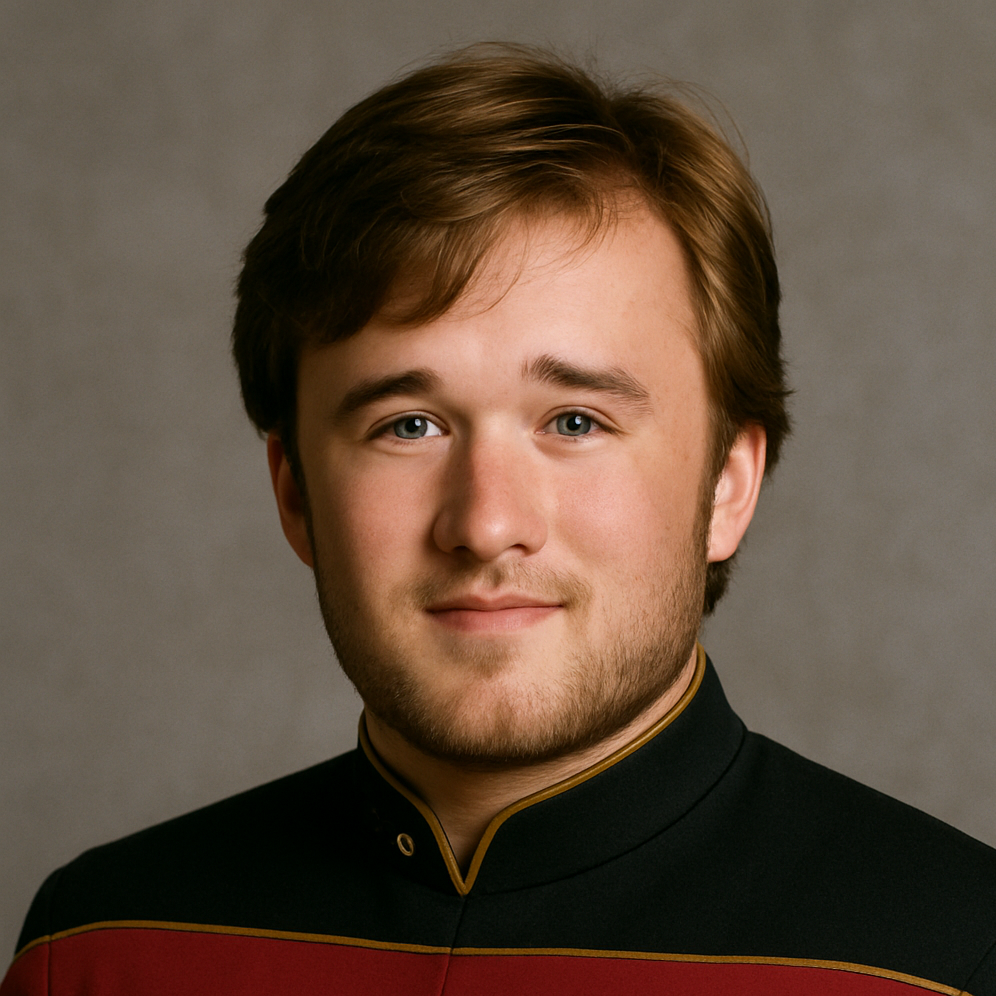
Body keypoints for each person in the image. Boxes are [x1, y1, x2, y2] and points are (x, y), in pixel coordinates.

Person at [4, 43, 995, 996]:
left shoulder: (953, 961)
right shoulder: (100, 952)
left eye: (575, 421)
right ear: (295, 493)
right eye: (409, 425)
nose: (485, 525)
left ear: (728, 484)